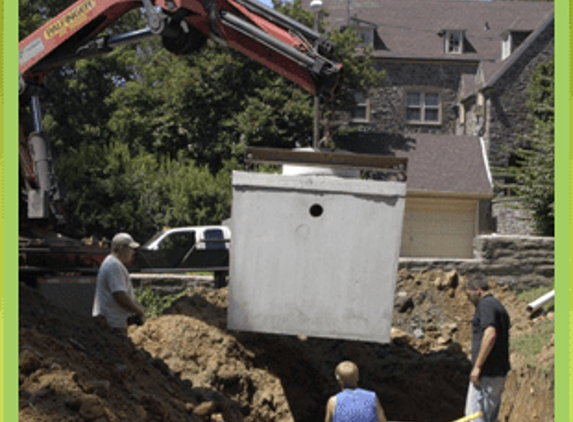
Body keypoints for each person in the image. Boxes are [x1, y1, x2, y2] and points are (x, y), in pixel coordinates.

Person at [464, 277, 511, 422]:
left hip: (486, 373)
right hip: (497, 372)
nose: (468, 299)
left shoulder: (485, 305)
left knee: (474, 416)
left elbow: (490, 334)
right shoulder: (498, 306)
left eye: (468, 294)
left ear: (477, 290)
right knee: (489, 417)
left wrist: (478, 366)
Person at [92, 232, 146, 335]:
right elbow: (120, 295)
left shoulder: (112, 263)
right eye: (130, 249)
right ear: (121, 248)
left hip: (113, 322)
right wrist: (139, 311)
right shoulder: (114, 265)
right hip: (112, 325)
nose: (132, 252)